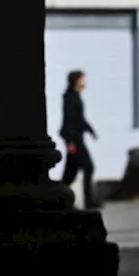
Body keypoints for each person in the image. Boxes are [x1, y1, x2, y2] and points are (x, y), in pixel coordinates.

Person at [60, 69, 99, 210]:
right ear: (76, 81)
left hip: (76, 138)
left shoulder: (75, 96)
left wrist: (90, 130)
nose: (85, 83)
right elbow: (69, 120)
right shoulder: (70, 98)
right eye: (82, 80)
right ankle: (89, 201)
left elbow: (80, 118)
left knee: (70, 173)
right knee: (88, 167)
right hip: (74, 140)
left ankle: (59, 199)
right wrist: (70, 142)